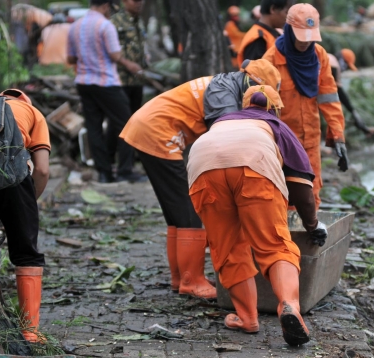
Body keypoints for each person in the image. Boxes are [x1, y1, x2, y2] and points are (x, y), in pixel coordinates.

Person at [120, 59, 281, 299]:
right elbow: (226, 138)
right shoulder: (224, 95)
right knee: (189, 211)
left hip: (150, 127)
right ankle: (191, 280)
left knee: (177, 213)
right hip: (158, 132)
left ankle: (180, 278)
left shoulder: (226, 85)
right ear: (253, 84)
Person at [187, 85, 327, 346]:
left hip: (203, 165)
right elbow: (302, 187)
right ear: (275, 109)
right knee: (274, 245)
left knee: (228, 249)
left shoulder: (221, 122)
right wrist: (312, 224)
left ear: (244, 106)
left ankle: (248, 318)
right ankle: (289, 305)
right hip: (254, 167)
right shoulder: (276, 125)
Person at [263, 3, 349, 209]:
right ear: (289, 30)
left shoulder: (319, 56)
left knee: (311, 194)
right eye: (301, 36)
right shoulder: (271, 60)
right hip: (281, 143)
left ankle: (309, 235)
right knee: (283, 195)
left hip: (310, 140)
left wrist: (338, 137)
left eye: (310, 36)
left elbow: (329, 100)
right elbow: (260, 108)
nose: (305, 42)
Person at [67, 0, 144, 184]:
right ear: (105, 6)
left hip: (84, 83)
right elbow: (115, 54)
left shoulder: (75, 26)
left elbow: (70, 58)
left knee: (94, 128)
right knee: (127, 124)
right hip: (106, 82)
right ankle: (125, 170)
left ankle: (105, 173)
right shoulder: (105, 25)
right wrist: (131, 65)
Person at [0, 89, 50, 342]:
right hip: (14, 178)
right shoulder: (33, 113)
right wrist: (28, 204)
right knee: (26, 252)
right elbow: (41, 169)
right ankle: (30, 331)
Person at [111, 0, 148, 115]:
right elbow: (109, 50)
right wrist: (127, 64)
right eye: (135, 1)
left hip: (137, 80)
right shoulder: (115, 22)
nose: (139, 3)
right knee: (120, 120)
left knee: (135, 117)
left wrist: (145, 57)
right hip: (121, 80)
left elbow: (140, 44)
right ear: (124, 1)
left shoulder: (139, 21)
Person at [237, 0, 293, 65]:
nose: (287, 17)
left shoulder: (271, 33)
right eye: (286, 12)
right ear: (273, 9)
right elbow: (254, 72)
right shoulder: (258, 38)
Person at [328, 49, 369, 134]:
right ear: (343, 61)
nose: (345, 69)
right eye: (347, 66)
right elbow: (338, 92)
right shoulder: (333, 64)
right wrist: (353, 112)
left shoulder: (329, 59)